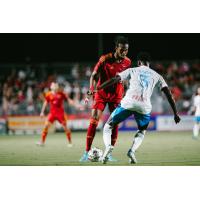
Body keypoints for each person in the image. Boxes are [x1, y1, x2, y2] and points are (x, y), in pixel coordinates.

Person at [96, 52, 181, 164]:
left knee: (108, 126)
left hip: (129, 102)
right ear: (148, 63)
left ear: (139, 62)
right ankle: (132, 151)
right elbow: (168, 94)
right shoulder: (157, 76)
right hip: (144, 107)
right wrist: (175, 113)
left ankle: (108, 147)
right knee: (141, 131)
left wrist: (99, 88)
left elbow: (115, 79)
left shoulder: (132, 70)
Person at [79, 36, 132, 162]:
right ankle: (86, 152)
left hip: (117, 95)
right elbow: (93, 75)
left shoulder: (128, 62)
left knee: (115, 123)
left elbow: (124, 79)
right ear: (116, 48)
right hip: (101, 93)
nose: (124, 52)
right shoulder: (104, 59)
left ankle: (109, 153)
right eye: (122, 50)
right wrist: (91, 88)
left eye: (126, 50)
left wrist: (125, 92)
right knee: (94, 119)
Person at [37, 82, 81, 147]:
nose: (55, 86)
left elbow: (68, 100)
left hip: (60, 114)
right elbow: (45, 103)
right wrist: (42, 112)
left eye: (56, 85)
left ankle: (70, 142)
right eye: (53, 85)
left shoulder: (61, 94)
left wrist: (76, 105)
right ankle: (42, 142)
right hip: (52, 114)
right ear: (51, 87)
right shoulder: (48, 94)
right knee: (46, 126)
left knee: (66, 128)